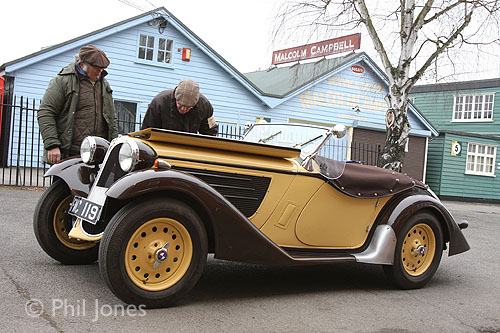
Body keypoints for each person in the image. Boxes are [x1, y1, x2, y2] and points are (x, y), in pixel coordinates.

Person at [38, 45, 118, 165]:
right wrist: (52, 145)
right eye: (96, 67)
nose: (100, 71)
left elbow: (111, 119)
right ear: (82, 65)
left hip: (99, 154)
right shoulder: (63, 81)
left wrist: (113, 148)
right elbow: (45, 112)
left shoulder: (104, 85)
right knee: (62, 184)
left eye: (102, 68)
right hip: (70, 154)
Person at [141, 79, 218, 136]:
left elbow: (210, 133)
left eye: (188, 107)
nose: (184, 109)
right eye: (180, 105)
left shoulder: (204, 106)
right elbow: (146, 132)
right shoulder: (159, 103)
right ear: (175, 96)